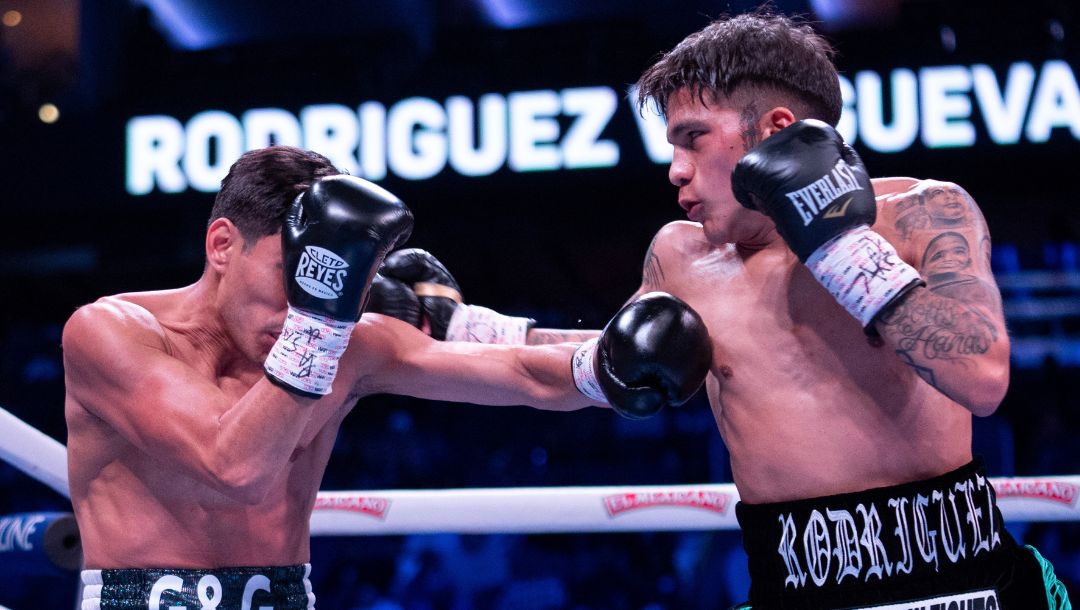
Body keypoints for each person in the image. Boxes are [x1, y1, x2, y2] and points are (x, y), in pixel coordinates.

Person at [380, 12, 1071, 609]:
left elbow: (982, 376)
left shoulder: (924, 213)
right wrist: (460, 330)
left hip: (967, 583)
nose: (675, 169)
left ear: (776, 131)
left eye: (692, 139)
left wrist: (834, 243)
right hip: (797, 589)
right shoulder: (684, 259)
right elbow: (602, 364)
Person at [62, 145, 712, 609]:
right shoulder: (109, 333)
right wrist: (324, 316)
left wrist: (614, 360)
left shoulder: (344, 343)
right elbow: (233, 467)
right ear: (222, 245)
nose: (302, 307)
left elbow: (521, 368)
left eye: (326, 284)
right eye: (295, 277)